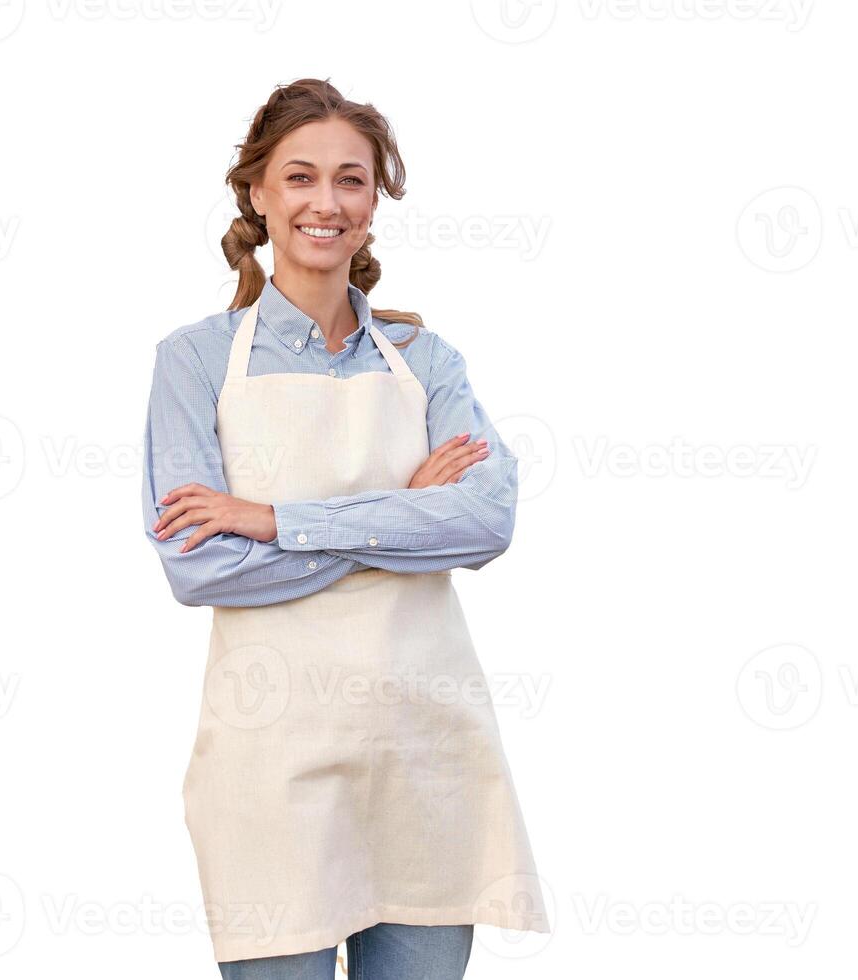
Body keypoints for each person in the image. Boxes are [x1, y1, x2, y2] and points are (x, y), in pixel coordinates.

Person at [141, 77, 548, 978]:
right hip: (271, 768)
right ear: (257, 193)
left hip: (428, 756)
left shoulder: (427, 359)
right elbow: (198, 566)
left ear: (375, 199)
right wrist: (402, 515)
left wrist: (275, 519)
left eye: (351, 180)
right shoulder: (195, 362)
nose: (326, 203)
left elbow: (486, 519)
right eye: (300, 177)